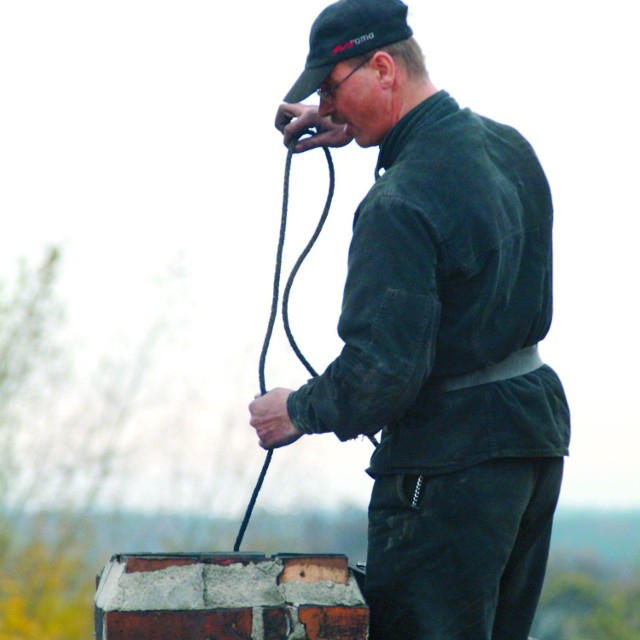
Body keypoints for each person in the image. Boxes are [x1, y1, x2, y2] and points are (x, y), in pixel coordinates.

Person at [248, 0, 571, 638]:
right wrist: (367, 130)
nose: (328, 108)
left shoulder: (397, 202)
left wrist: (298, 409)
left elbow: (381, 375)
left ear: (382, 68)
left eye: (333, 90)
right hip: (531, 438)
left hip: (449, 463)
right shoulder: (510, 148)